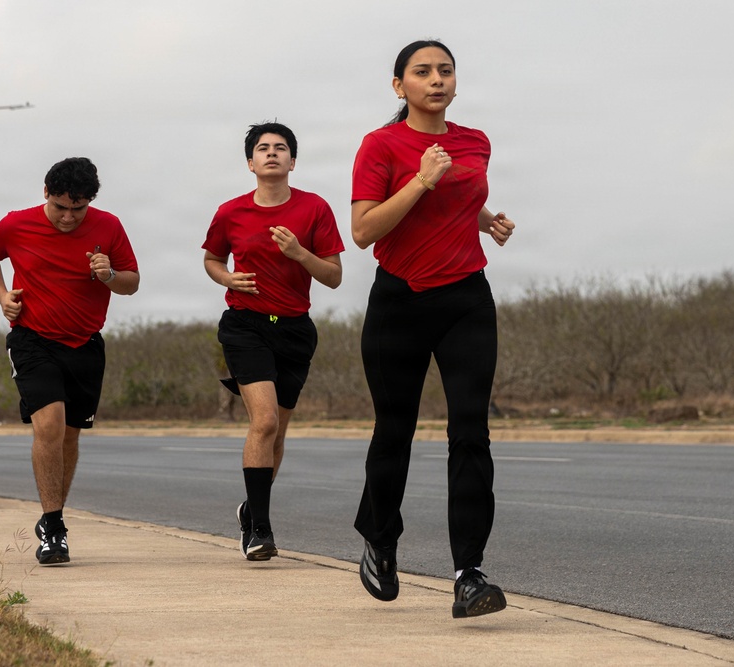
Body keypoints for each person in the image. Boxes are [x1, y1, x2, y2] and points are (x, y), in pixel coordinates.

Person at [350, 40, 516, 618]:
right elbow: (364, 230)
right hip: (399, 301)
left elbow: (461, 195)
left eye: (445, 70)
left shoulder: (475, 141)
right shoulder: (381, 145)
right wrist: (419, 181)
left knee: (470, 431)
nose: (436, 79)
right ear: (399, 86)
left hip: (467, 297)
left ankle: (469, 573)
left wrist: (486, 219)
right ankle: (380, 537)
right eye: (422, 72)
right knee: (394, 430)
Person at [0, 157, 139, 565]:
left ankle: (53, 517)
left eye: (78, 209)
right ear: (45, 193)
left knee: (69, 436)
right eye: (61, 207)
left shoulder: (110, 226)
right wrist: (3, 297)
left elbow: (132, 283)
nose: (68, 217)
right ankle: (54, 527)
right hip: (32, 340)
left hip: (85, 344)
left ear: (90, 202)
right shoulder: (16, 223)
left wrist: (109, 276)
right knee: (47, 426)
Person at [203, 122, 344, 561]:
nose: (271, 154)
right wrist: (227, 277)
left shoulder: (315, 208)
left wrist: (301, 254)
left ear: (292, 161)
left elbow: (335, 277)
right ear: (250, 162)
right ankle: (260, 530)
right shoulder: (231, 212)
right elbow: (211, 258)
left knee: (277, 432)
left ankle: (251, 508)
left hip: (295, 329)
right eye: (262, 149)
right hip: (245, 325)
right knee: (263, 422)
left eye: (280, 148)